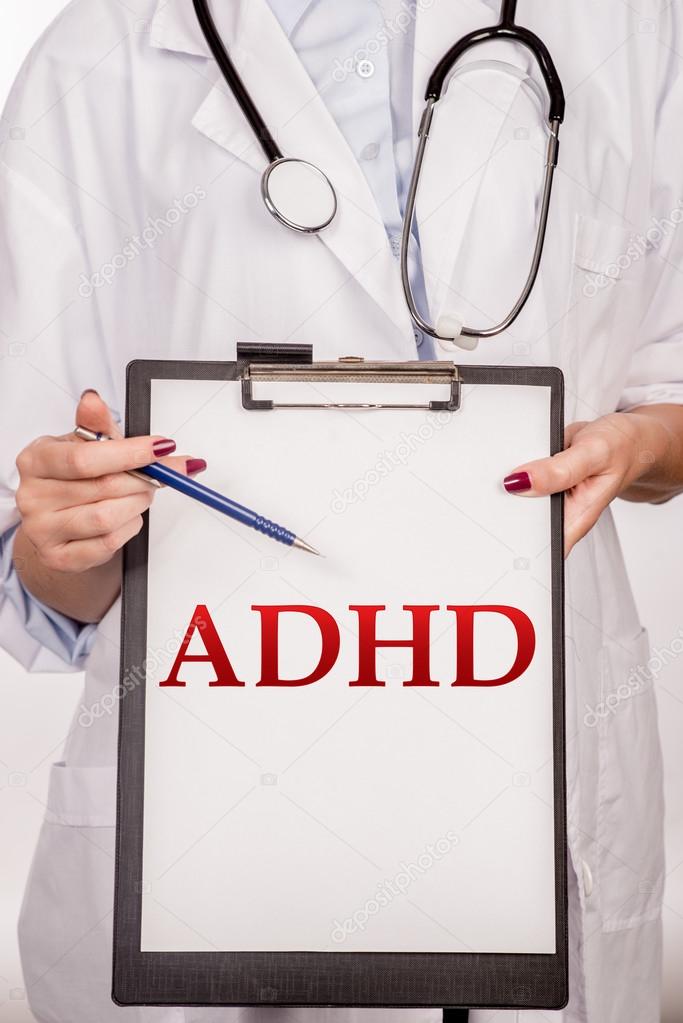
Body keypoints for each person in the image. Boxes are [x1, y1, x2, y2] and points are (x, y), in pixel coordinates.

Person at [1, 1, 683, 1021]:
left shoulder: (625, 25)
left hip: (530, 746)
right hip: (209, 787)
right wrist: (71, 534)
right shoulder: (97, 53)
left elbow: (664, 392)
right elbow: (43, 556)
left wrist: (634, 447)